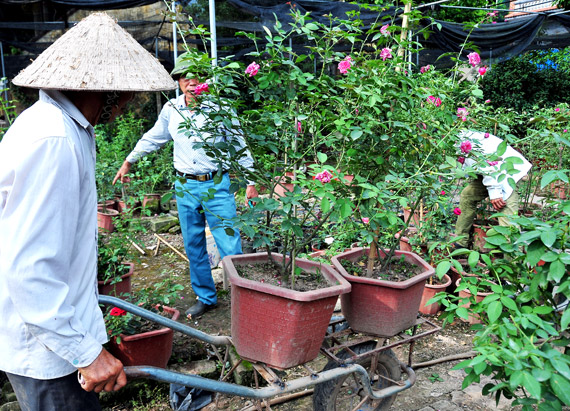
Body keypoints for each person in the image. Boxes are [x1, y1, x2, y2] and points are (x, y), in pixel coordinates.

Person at [0, 13, 177, 411]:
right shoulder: (53, 140)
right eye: (128, 93)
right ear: (105, 90)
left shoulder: (67, 127)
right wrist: (85, 352)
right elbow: (31, 268)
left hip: (54, 334)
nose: (130, 103)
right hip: (45, 349)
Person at [113, 51, 259, 319]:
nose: (192, 83)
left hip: (216, 185)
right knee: (193, 244)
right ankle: (206, 297)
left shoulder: (221, 109)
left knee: (230, 244)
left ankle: (246, 299)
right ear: (178, 82)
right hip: (185, 187)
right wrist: (129, 161)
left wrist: (251, 181)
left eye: (198, 78)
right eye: (185, 78)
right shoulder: (172, 110)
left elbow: (239, 144)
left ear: (207, 81)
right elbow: (153, 138)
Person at [453, 130, 532, 248]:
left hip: (506, 172)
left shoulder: (467, 141)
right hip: (488, 173)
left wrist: (495, 193)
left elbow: (488, 165)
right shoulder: (455, 140)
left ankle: (513, 258)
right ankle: (460, 242)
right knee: (468, 195)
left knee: (506, 215)